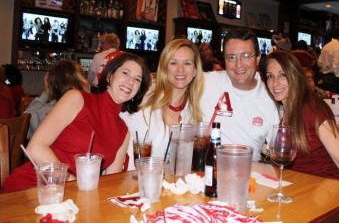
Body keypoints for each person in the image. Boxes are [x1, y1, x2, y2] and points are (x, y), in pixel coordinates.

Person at [1, 53, 150, 192]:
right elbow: (35, 148)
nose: (130, 82)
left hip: (73, 201)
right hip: (33, 186)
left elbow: (109, 182)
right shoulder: (77, 98)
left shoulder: (123, 132)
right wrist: (71, 182)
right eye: (125, 73)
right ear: (110, 76)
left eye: (137, 79)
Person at [264, 52, 339, 223]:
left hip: (328, 202)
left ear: (295, 76)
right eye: (270, 76)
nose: (275, 83)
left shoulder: (311, 108)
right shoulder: (288, 109)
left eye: (282, 75)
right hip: (301, 194)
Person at [121, 39, 204, 169]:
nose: (180, 70)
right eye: (173, 63)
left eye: (187, 63)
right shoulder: (142, 95)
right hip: (128, 179)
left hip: (167, 185)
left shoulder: (193, 114)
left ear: (194, 70)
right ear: (165, 67)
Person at [200, 28, 279, 161]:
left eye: (246, 56)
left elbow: (276, 153)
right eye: (232, 57)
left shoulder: (271, 97)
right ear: (224, 60)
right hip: (206, 172)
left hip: (251, 176)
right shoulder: (206, 82)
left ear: (258, 59)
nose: (238, 64)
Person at [25, 60, 90, 139]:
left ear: (51, 83)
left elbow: (24, 125)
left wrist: (46, 93)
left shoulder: (47, 112)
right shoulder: (89, 107)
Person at [317, 27, 339, 94]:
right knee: (335, 101)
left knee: (326, 100)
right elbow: (336, 66)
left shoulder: (326, 46)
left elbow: (319, 63)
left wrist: (326, 67)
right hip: (333, 79)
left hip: (324, 77)